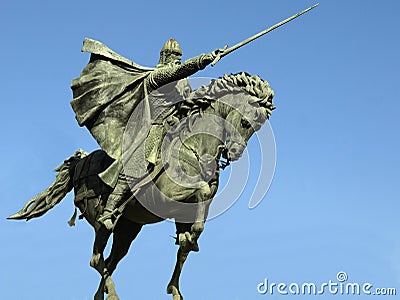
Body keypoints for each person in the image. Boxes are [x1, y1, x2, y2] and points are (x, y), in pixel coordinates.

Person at [71, 37, 224, 230]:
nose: (177, 59)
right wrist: (204, 59)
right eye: (174, 56)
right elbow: (179, 70)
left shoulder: (181, 83)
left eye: (179, 56)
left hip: (175, 130)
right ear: (165, 56)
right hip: (153, 129)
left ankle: (186, 225)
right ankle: (110, 209)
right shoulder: (157, 76)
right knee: (136, 163)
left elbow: (186, 102)